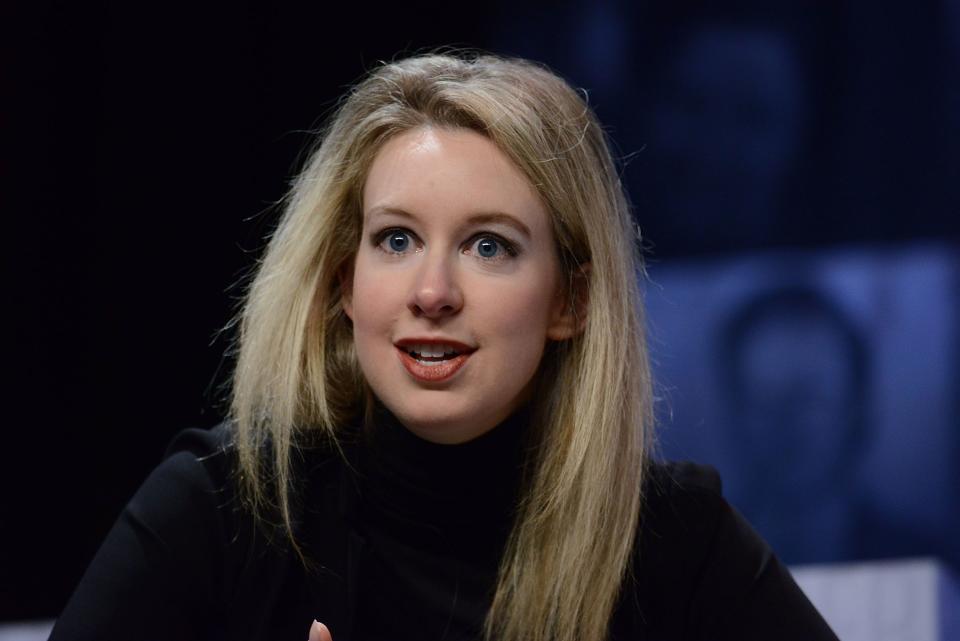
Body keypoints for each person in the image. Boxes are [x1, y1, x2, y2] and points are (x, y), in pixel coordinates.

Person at [51, 53, 838, 641]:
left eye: (488, 247)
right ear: (341, 285)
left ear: (570, 300)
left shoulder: (672, 542)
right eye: (395, 238)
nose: (432, 291)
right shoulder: (220, 512)